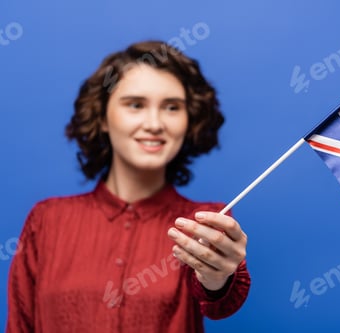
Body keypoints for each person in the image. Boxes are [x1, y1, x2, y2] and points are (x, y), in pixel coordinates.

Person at [6, 41, 250, 332]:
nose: (155, 123)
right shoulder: (47, 219)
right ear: (103, 117)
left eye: (172, 107)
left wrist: (217, 278)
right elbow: (19, 324)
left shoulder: (206, 223)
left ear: (189, 120)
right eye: (135, 104)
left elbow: (220, 302)